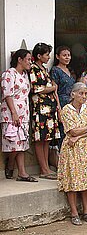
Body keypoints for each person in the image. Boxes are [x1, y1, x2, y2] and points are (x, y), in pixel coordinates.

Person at [57, 82, 87, 226]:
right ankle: (74, 213)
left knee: (86, 181)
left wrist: (79, 135)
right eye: (80, 93)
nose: (83, 96)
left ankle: (86, 212)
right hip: (72, 150)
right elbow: (72, 131)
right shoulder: (66, 110)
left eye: (85, 93)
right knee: (72, 180)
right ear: (73, 94)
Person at [1, 49, 37, 182]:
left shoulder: (25, 75)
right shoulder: (9, 74)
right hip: (11, 113)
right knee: (14, 142)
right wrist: (14, 113)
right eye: (27, 59)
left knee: (21, 142)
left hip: (24, 113)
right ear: (19, 60)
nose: (30, 62)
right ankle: (11, 164)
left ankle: (21, 172)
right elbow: (8, 94)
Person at [30, 42, 60, 180]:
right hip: (40, 108)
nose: (49, 57)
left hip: (49, 108)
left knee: (47, 139)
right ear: (39, 55)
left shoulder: (44, 69)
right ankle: (43, 169)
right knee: (40, 139)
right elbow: (36, 88)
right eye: (47, 54)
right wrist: (52, 88)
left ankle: (46, 167)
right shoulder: (33, 69)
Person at [50, 46, 75, 163]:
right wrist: (59, 108)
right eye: (64, 55)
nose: (67, 57)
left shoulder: (70, 70)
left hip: (71, 103)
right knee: (61, 131)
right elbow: (54, 89)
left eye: (68, 55)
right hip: (61, 101)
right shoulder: (55, 70)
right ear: (57, 56)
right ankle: (62, 161)